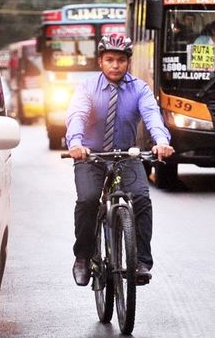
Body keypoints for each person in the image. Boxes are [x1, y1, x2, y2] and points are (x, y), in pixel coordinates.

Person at [65, 33, 174, 287]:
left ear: (128, 63)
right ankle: (82, 257)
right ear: (100, 62)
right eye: (110, 60)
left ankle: (141, 263)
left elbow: (152, 116)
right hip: (91, 156)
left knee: (141, 199)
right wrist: (76, 143)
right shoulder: (87, 88)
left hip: (126, 155)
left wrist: (161, 141)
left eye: (121, 60)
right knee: (88, 200)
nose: (116, 65)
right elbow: (77, 114)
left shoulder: (139, 89)